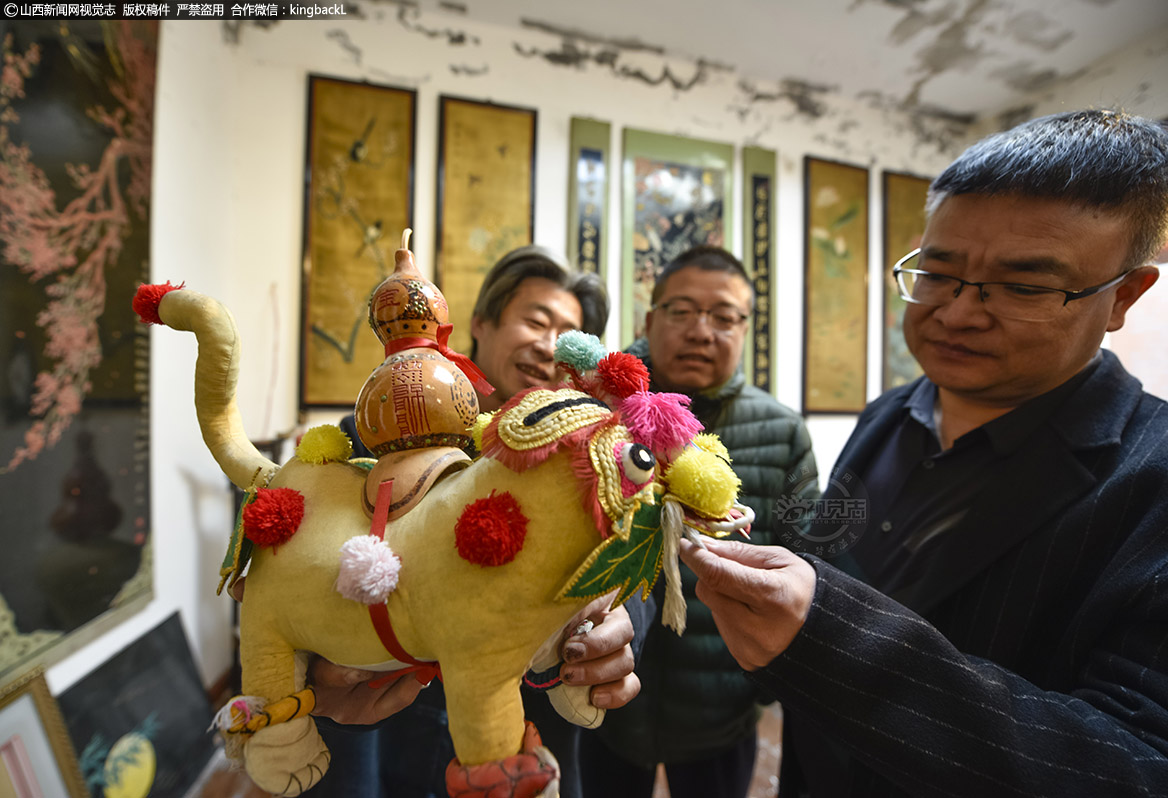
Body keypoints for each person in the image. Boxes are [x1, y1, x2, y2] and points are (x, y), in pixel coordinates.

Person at [677, 109, 1168, 797]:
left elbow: (1137, 766)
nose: (959, 313)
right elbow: (827, 548)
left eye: (1023, 286)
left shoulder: (1151, 477)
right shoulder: (888, 414)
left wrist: (835, 639)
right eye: (937, 273)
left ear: (1123, 295)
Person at [309, 245, 650, 798]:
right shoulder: (372, 438)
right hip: (383, 735)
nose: (549, 345)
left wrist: (621, 616)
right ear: (480, 325)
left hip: (529, 742)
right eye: (536, 320)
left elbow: (639, 558)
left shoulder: (595, 462)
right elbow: (286, 563)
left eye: (568, 333)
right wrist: (314, 669)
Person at [579, 246, 820, 798]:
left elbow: (809, 561)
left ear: (745, 328)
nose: (701, 331)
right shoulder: (594, 411)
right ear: (649, 319)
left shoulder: (782, 432)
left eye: (723, 316)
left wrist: (757, 685)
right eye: (682, 311)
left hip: (722, 714)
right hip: (605, 696)